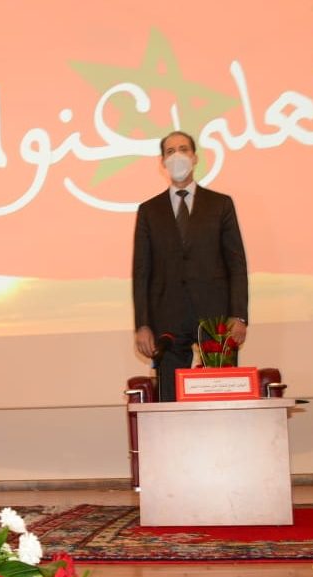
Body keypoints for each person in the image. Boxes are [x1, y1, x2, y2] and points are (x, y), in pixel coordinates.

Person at [132, 131, 249, 401]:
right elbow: (141, 272)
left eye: (183, 149)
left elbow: (236, 263)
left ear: (195, 157)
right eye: (170, 151)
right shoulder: (149, 211)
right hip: (167, 320)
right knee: (171, 399)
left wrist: (239, 315)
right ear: (162, 162)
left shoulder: (221, 204)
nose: (177, 156)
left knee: (222, 398)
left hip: (217, 318)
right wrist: (142, 324)